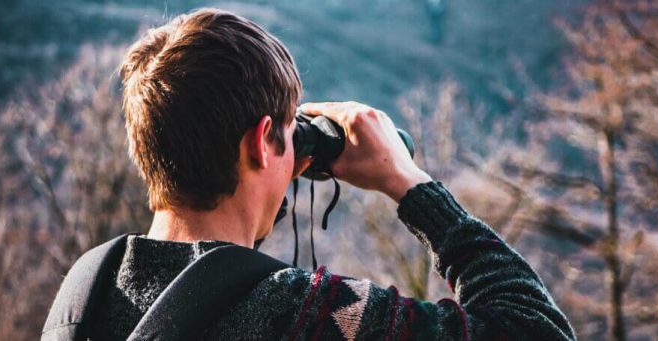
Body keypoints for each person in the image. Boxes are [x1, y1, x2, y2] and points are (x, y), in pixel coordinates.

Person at [45, 8, 575, 340]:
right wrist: (409, 182)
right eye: (288, 131)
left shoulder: (83, 295)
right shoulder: (303, 314)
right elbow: (537, 329)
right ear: (260, 141)